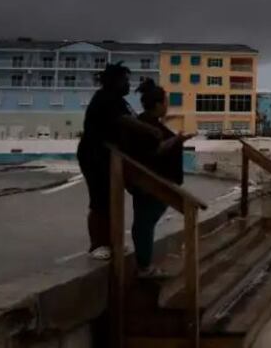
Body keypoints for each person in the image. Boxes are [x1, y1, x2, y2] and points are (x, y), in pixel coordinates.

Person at [78, 63, 164, 260]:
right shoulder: (105, 98)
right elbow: (125, 121)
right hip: (94, 156)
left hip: (112, 158)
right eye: (124, 80)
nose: (128, 84)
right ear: (114, 81)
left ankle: (112, 240)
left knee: (112, 199)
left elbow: (130, 121)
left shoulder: (120, 101)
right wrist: (150, 130)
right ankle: (97, 244)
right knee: (100, 200)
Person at [127, 78, 193, 277]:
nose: (167, 106)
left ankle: (143, 264)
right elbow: (154, 151)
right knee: (145, 222)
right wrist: (178, 139)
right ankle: (144, 266)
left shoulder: (148, 122)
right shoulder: (145, 125)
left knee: (144, 222)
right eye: (165, 102)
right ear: (157, 105)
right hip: (149, 183)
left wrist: (176, 139)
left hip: (149, 182)